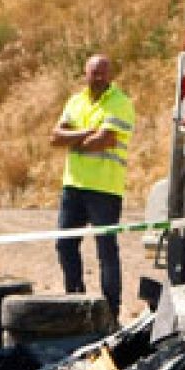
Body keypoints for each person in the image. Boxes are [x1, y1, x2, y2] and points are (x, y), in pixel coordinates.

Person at [51, 54, 135, 315]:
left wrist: (75, 138)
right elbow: (55, 137)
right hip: (74, 185)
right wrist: (87, 132)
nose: (98, 77)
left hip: (105, 188)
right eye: (93, 73)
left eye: (102, 73)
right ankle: (74, 299)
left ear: (110, 75)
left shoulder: (120, 103)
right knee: (65, 244)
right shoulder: (75, 101)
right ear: (85, 74)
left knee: (106, 250)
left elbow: (104, 141)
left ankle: (111, 309)